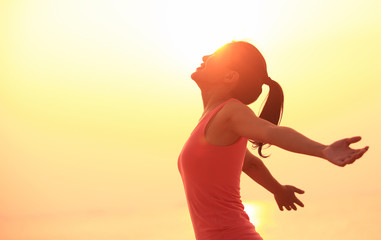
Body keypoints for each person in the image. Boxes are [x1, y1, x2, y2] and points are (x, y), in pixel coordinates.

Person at [177, 41, 369, 240]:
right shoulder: (212, 119)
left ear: (230, 76)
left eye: (215, 56)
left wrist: (323, 149)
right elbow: (249, 164)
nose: (205, 57)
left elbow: (270, 131)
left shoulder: (231, 112)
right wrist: (278, 190)